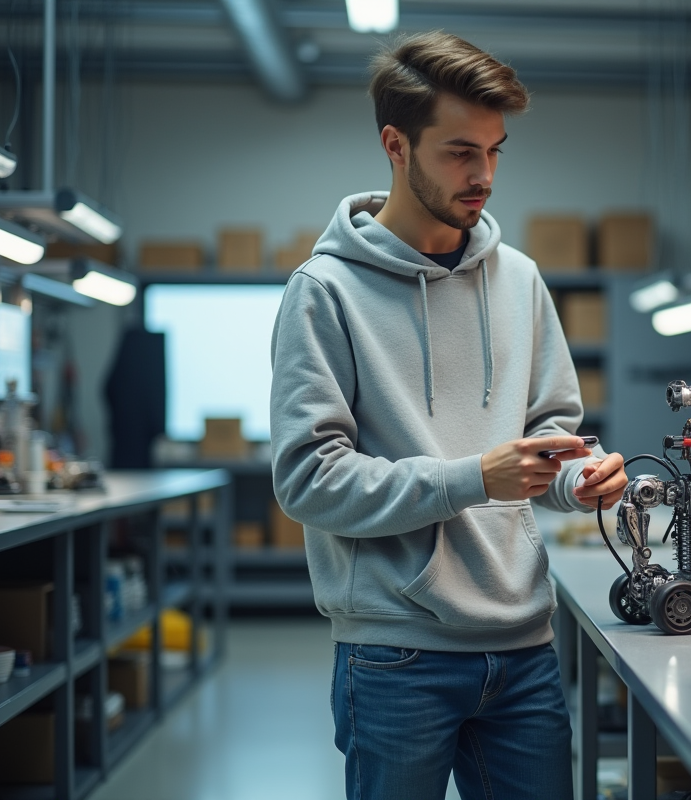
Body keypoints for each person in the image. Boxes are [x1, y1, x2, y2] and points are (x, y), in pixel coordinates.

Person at [269, 31, 628, 800]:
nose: (485, 176)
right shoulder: (325, 291)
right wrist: (474, 477)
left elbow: (550, 445)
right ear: (395, 145)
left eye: (497, 151)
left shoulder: (521, 279)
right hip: (396, 657)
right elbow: (307, 480)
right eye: (461, 152)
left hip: (526, 648)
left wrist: (583, 479)